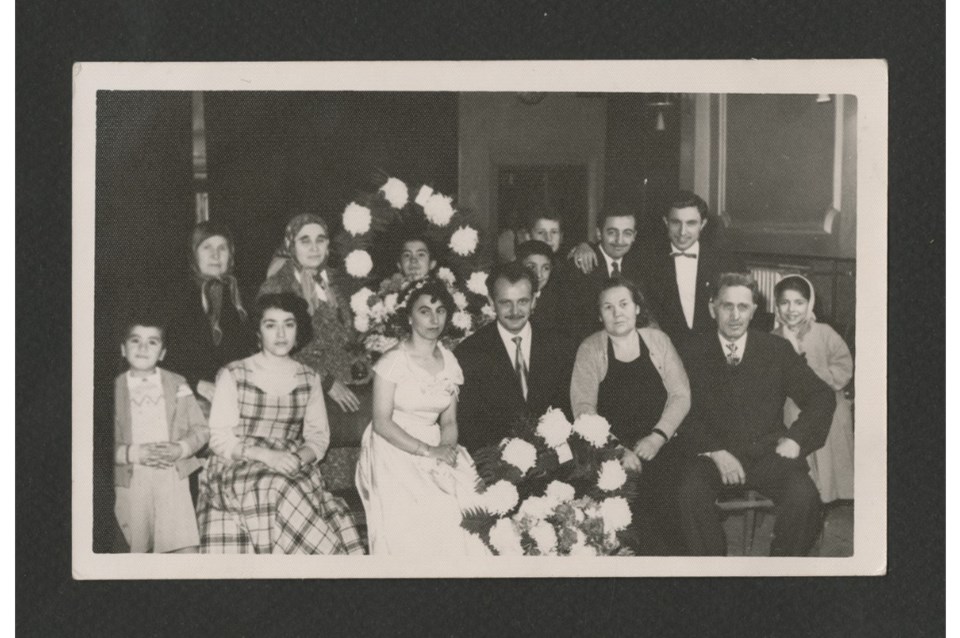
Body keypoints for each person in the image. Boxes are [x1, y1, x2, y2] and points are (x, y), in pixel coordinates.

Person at [677, 273, 835, 556]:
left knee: (804, 497)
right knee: (688, 494)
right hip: (712, 456)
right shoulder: (691, 352)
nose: (735, 316)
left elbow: (821, 396)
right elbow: (676, 408)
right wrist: (714, 450)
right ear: (712, 309)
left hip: (767, 455)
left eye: (743, 307)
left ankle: (779, 570)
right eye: (727, 306)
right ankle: (711, 570)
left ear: (754, 311)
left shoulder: (776, 350)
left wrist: (796, 438)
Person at [197, 293, 365, 554]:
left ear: (298, 330)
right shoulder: (234, 373)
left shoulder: (309, 378)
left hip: (291, 465)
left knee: (285, 485)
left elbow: (318, 439)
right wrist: (267, 456)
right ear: (258, 331)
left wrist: (297, 459)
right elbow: (219, 439)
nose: (281, 334)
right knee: (279, 486)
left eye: (289, 324)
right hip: (238, 465)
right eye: (270, 325)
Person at [355, 278, 487, 555]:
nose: (433, 319)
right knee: (432, 510)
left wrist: (446, 450)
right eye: (424, 311)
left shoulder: (450, 361)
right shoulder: (393, 362)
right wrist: (428, 451)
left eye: (440, 311)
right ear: (410, 317)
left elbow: (449, 421)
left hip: (436, 441)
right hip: (392, 445)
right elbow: (381, 422)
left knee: (472, 503)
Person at [570, 278, 690, 554]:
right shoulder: (590, 349)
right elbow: (583, 409)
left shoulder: (659, 341)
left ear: (637, 308)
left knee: (677, 497)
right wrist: (617, 450)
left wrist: (657, 437)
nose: (617, 313)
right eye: (608, 307)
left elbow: (681, 395)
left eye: (624, 304)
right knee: (632, 511)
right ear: (600, 315)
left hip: (662, 442)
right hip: (612, 449)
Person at [569, 191, 748, 351]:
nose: (682, 231)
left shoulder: (726, 262)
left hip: (712, 354)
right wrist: (585, 246)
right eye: (676, 222)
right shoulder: (647, 258)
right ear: (666, 222)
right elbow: (614, 246)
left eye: (691, 223)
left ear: (703, 224)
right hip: (663, 354)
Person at [113, 315, 208, 553]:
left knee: (184, 548)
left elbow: (201, 429)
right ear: (123, 349)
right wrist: (134, 453)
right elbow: (97, 442)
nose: (143, 348)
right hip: (132, 479)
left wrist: (181, 448)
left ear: (163, 353)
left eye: (152, 342)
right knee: (137, 548)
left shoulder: (178, 384)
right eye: (135, 340)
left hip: (172, 477)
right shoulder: (112, 389)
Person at [454, 262, 573, 453]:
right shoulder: (469, 353)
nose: (515, 311)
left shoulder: (560, 346)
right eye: (505, 302)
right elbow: (468, 425)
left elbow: (569, 408)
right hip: (496, 460)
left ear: (534, 300)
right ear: (491, 301)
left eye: (523, 301)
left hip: (557, 456)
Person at [259, 213, 364, 415]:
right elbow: (276, 348)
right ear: (291, 245)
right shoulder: (277, 286)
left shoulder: (331, 280)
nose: (314, 248)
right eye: (305, 241)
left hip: (343, 387)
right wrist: (325, 381)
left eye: (320, 240)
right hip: (301, 392)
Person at [773, 275, 854, 503]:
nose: (791, 309)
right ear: (777, 306)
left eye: (799, 302)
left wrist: (823, 379)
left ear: (809, 304)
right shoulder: (773, 338)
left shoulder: (824, 332)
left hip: (828, 404)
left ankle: (824, 501)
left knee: (827, 458)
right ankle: (803, 503)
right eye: (785, 302)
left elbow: (843, 365)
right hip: (791, 407)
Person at [163, 221, 255, 411]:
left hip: (234, 393)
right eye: (207, 247)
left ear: (231, 254)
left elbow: (250, 349)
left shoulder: (241, 298)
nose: (216, 255)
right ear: (194, 254)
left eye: (222, 248)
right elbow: (163, 356)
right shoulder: (175, 297)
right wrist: (196, 383)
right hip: (187, 395)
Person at [559, 207, 650, 347]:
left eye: (627, 233)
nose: (619, 240)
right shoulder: (580, 264)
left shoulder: (640, 267)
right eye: (612, 232)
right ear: (599, 233)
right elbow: (569, 323)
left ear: (634, 236)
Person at [516, 239, 562, 334]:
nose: (539, 274)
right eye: (532, 267)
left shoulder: (556, 303)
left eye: (545, 268)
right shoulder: (509, 297)